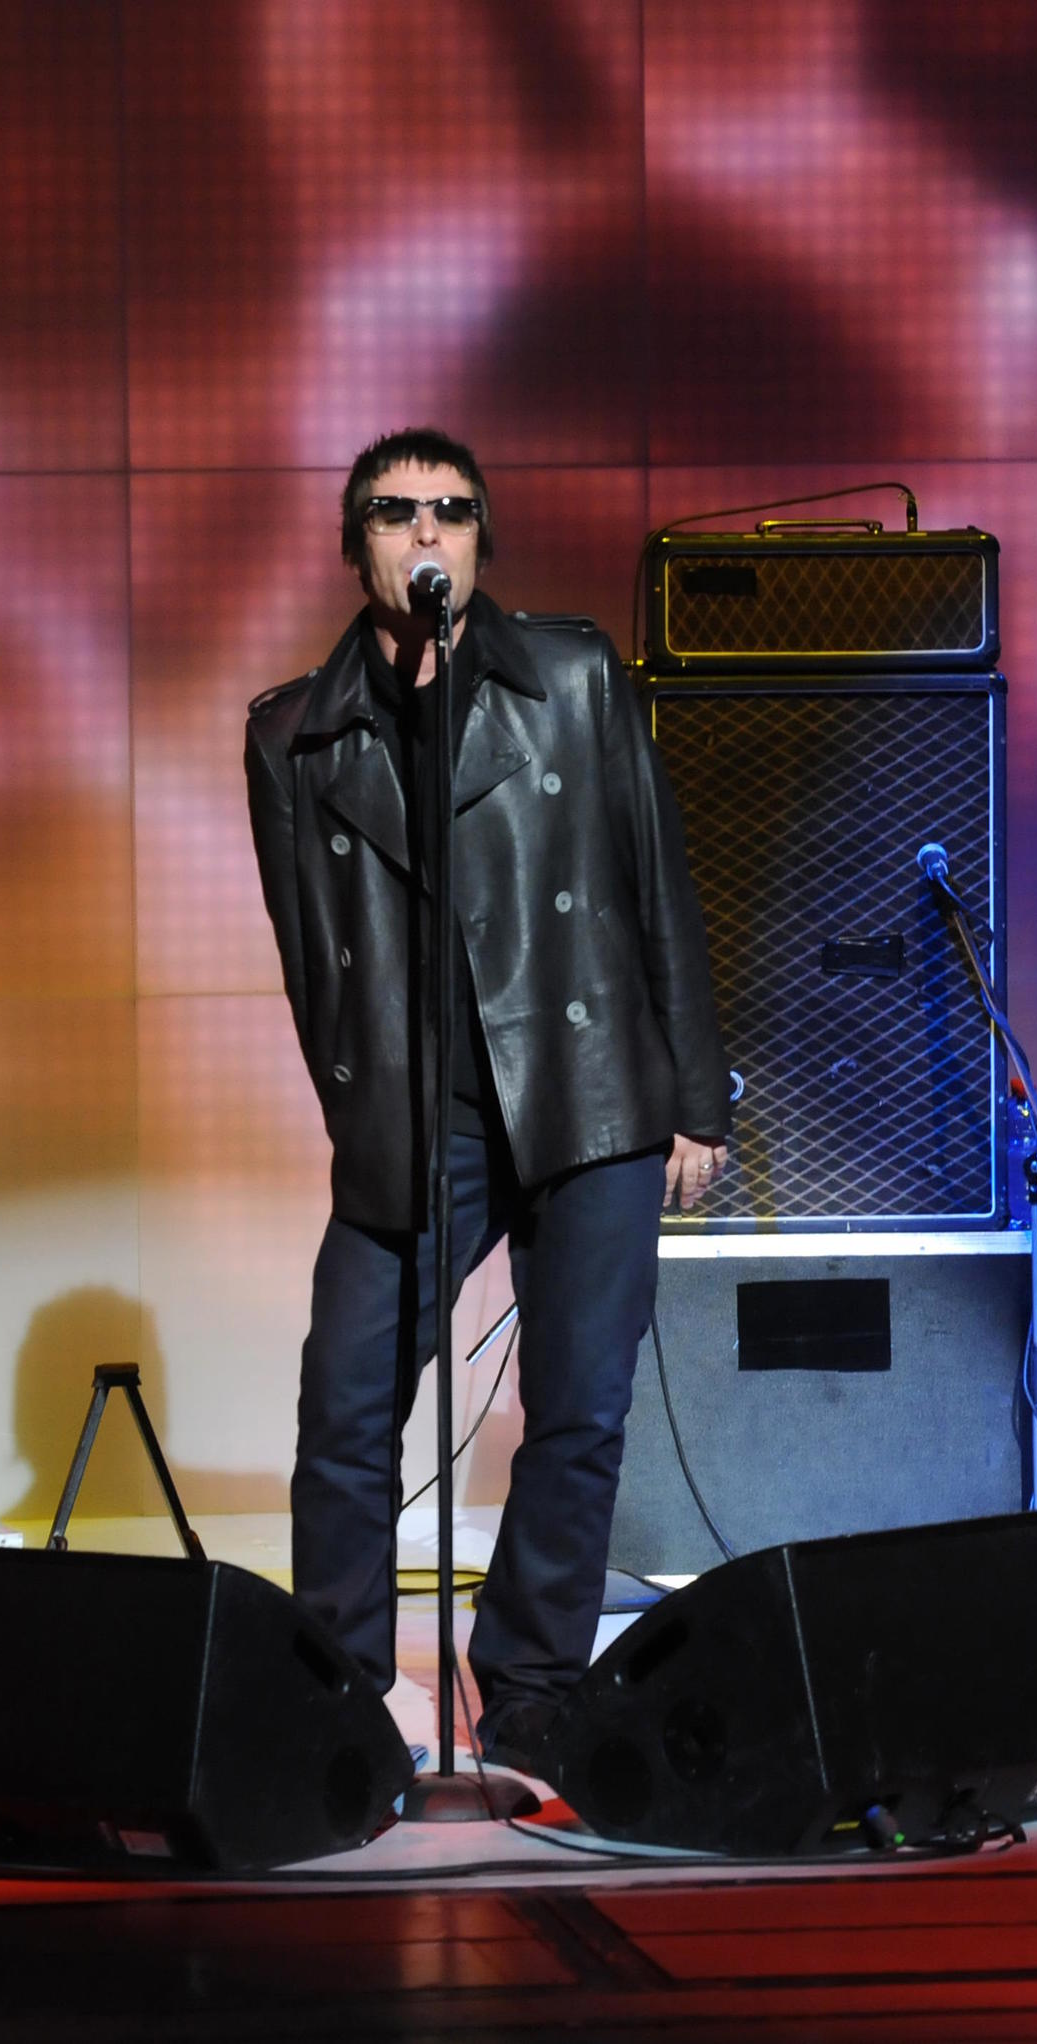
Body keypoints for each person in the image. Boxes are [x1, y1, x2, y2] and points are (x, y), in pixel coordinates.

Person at [244, 426, 730, 1780]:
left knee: (579, 1411)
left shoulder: (572, 674)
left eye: (451, 513)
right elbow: (310, 961)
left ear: (479, 542)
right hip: (425, 1114)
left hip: (589, 1094)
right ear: (358, 547)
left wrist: (695, 1093)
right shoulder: (293, 734)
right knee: (343, 1402)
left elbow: (656, 879)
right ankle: (339, 1702)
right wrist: (363, 1115)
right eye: (394, 513)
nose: (425, 534)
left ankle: (527, 1688)